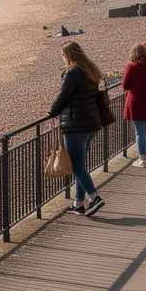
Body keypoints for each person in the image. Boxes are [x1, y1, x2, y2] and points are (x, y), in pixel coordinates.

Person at [48, 41, 105, 216]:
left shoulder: (72, 73)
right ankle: (78, 203)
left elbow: (63, 96)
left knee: (76, 166)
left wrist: (52, 112)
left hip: (76, 124)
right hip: (91, 123)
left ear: (68, 56)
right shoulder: (90, 70)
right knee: (79, 164)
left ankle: (94, 196)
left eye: (63, 56)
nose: (63, 59)